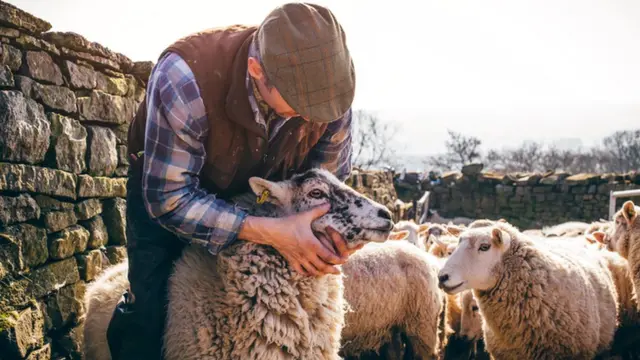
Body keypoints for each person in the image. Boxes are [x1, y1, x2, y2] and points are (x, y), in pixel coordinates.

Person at [106, 2, 361, 360]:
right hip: (174, 189)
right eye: (299, 104)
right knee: (150, 313)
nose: (311, 115)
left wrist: (328, 231)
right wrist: (269, 232)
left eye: (321, 105)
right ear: (256, 69)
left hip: (267, 197)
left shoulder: (327, 98)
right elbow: (170, 198)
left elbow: (325, 183)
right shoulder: (185, 78)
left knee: (279, 319)